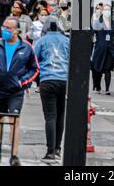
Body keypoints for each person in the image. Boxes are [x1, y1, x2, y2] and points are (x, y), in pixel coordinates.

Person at [0, 17, 39, 167]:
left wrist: (22, 82)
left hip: (15, 91)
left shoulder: (26, 47)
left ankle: (14, 156)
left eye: (9, 28)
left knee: (14, 120)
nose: (5, 30)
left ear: (17, 30)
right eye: (4, 27)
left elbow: (35, 69)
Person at [35, 17, 70, 161]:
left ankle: (50, 151)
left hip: (47, 79)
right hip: (64, 80)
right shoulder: (66, 41)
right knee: (61, 115)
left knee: (50, 116)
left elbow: (34, 59)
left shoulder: (42, 41)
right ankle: (57, 149)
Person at [91, 4, 114, 95]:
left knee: (107, 69)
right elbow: (92, 36)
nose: (107, 11)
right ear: (102, 11)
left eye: (109, 10)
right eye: (105, 10)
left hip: (109, 50)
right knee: (97, 69)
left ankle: (107, 89)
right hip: (99, 49)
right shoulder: (97, 22)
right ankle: (97, 86)